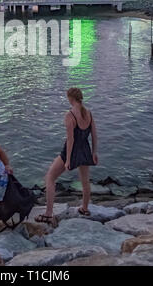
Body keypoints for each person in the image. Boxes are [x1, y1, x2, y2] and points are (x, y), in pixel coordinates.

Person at [35, 88, 98, 227]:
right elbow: (94, 135)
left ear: (71, 98)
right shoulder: (89, 113)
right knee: (85, 182)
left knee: (50, 177)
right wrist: (94, 153)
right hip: (85, 149)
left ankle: (48, 213)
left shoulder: (70, 115)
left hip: (72, 151)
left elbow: (70, 140)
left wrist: (68, 160)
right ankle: (85, 208)